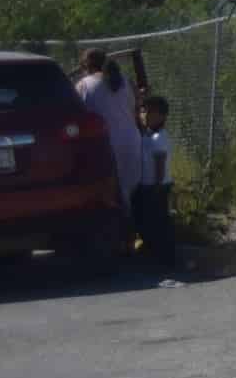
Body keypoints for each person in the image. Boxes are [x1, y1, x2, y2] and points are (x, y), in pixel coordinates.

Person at [72, 48, 146, 238]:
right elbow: (137, 110)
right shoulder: (125, 80)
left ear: (85, 66)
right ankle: (134, 238)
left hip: (106, 145)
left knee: (111, 196)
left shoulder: (83, 86)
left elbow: (76, 116)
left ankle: (119, 239)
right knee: (130, 193)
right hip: (131, 141)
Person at [133, 93, 178, 275]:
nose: (145, 115)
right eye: (143, 111)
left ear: (161, 116)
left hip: (157, 186)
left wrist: (157, 186)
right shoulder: (147, 135)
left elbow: (160, 163)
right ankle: (152, 252)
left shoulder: (159, 138)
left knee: (159, 222)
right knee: (146, 221)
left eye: (149, 112)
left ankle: (167, 257)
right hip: (146, 185)